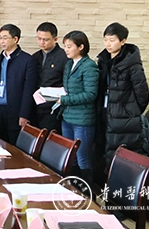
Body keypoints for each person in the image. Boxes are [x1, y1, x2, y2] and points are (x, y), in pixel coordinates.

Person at [96, 22, 149, 168]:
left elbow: (143, 95)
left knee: (122, 159)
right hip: (105, 113)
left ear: (123, 41)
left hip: (124, 118)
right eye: (105, 40)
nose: (108, 44)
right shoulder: (103, 61)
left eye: (112, 40)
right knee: (104, 153)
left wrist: (130, 112)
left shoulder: (132, 64)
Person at [58, 30, 99, 184]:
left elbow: (90, 94)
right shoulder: (69, 64)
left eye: (69, 46)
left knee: (83, 158)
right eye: (65, 46)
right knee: (70, 156)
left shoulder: (89, 66)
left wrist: (65, 100)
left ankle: (87, 192)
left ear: (81, 47)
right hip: (67, 117)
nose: (66, 50)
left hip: (82, 119)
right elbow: (67, 89)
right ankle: (73, 188)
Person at [0, 24, 38, 144]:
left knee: (15, 147)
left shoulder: (27, 60)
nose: (2, 41)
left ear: (15, 39)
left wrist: (24, 114)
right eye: (0, 37)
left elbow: (29, 90)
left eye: (5, 38)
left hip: (15, 111)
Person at [31, 22, 69, 133]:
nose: (41, 42)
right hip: (36, 106)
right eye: (39, 38)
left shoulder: (64, 57)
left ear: (55, 39)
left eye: (45, 39)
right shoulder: (35, 57)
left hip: (54, 107)